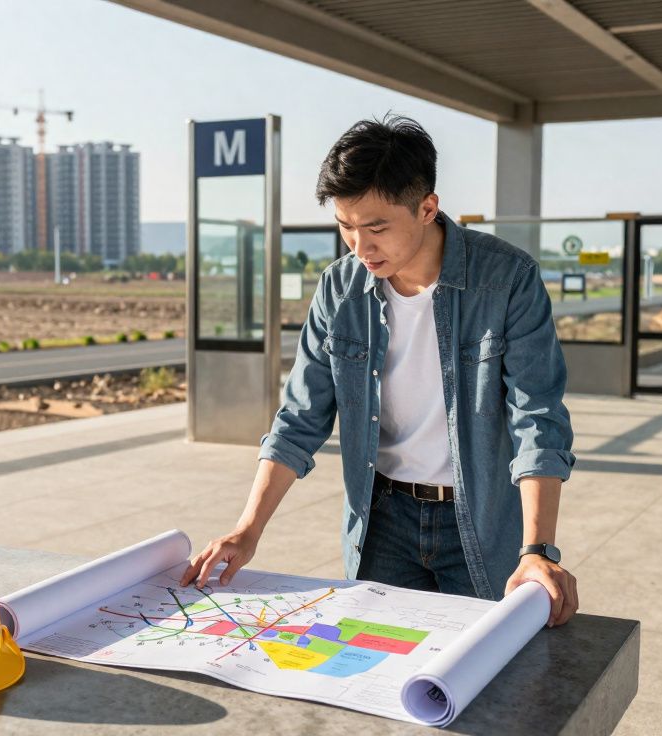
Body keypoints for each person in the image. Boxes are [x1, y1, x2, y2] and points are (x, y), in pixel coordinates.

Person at [180, 115, 579, 627]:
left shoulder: (507, 280)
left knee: (488, 681)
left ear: (427, 207)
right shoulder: (339, 289)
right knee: (380, 673)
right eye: (346, 227)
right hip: (382, 521)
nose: (360, 247)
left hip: (480, 519)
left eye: (376, 228)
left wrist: (537, 547)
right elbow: (300, 417)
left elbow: (538, 416)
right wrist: (247, 529)